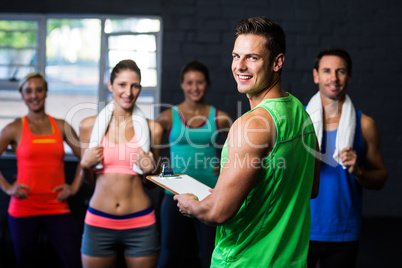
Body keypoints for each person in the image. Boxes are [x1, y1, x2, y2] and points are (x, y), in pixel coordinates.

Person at [173, 16, 320, 267]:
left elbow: (217, 212)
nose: (239, 66)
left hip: (244, 261)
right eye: (235, 56)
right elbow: (311, 188)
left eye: (252, 57)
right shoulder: (300, 112)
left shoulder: (251, 125)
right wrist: (218, 194)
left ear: (277, 62)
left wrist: (191, 204)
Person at [306, 48, 388, 268]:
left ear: (349, 76)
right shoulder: (299, 122)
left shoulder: (365, 124)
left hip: (343, 232)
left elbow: (381, 178)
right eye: (326, 71)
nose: (333, 78)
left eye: (340, 71)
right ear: (316, 76)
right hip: (300, 229)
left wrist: (359, 170)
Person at [79, 59, 163, 268]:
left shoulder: (154, 129)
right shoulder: (89, 126)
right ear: (111, 86)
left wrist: (151, 170)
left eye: (134, 86)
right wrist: (84, 165)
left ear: (140, 88)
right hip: (99, 222)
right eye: (122, 85)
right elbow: (88, 181)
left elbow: (151, 184)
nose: (128, 92)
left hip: (140, 223)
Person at [0, 72, 83, 268]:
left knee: (75, 260)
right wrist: (7, 188)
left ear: (46, 93)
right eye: (28, 91)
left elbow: (85, 158)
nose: (34, 95)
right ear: (22, 95)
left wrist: (74, 187)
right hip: (23, 207)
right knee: (25, 263)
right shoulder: (14, 128)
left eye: (39, 90)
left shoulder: (62, 126)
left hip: (56, 205)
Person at [155, 61, 231, 268]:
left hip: (209, 194)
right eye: (189, 83)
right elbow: (150, 150)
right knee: (169, 253)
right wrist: (161, 167)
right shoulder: (167, 117)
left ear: (207, 84)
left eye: (199, 82)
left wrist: (226, 166)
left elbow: (240, 148)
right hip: (174, 194)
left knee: (209, 254)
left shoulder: (221, 118)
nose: (194, 87)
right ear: (182, 84)